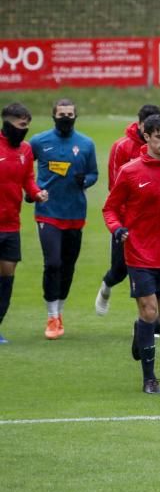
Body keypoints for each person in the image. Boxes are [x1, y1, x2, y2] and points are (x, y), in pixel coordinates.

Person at [102, 114, 160, 394]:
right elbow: (110, 208)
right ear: (147, 138)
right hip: (139, 254)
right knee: (148, 310)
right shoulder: (130, 172)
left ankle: (140, 333)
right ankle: (149, 378)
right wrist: (117, 229)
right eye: (159, 137)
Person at [95, 104, 160, 315]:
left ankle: (148, 320)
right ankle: (107, 286)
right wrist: (125, 222)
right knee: (120, 269)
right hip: (128, 221)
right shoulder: (122, 147)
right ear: (140, 125)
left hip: (157, 223)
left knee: (152, 269)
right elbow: (115, 187)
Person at [30, 99, 98, 339]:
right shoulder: (39, 142)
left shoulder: (86, 144)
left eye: (70, 114)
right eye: (62, 114)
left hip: (75, 214)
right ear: (54, 116)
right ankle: (51, 316)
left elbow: (94, 173)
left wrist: (86, 181)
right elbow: (23, 165)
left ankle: (59, 312)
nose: (66, 117)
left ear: (75, 116)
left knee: (68, 266)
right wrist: (32, 191)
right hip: (47, 212)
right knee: (53, 263)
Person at [0, 103, 49, 344]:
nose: (25, 130)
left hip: (11, 225)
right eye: (21, 125)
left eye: (27, 125)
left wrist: (37, 192)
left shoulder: (26, 150)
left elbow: (28, 180)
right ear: (7, 124)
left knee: (7, 275)